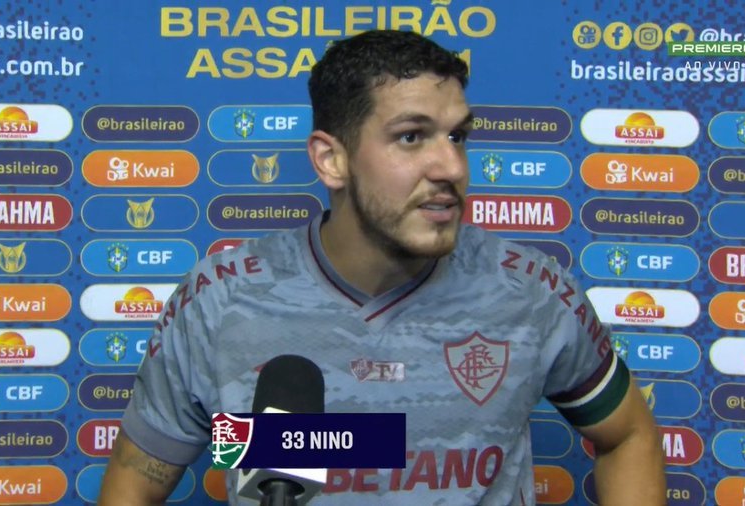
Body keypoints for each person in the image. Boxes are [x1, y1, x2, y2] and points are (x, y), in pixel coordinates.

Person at [99, 29, 665, 505]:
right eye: (411, 137)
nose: (451, 166)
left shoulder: (529, 291)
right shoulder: (223, 301)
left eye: (457, 136)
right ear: (331, 159)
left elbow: (628, 435)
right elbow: (135, 474)